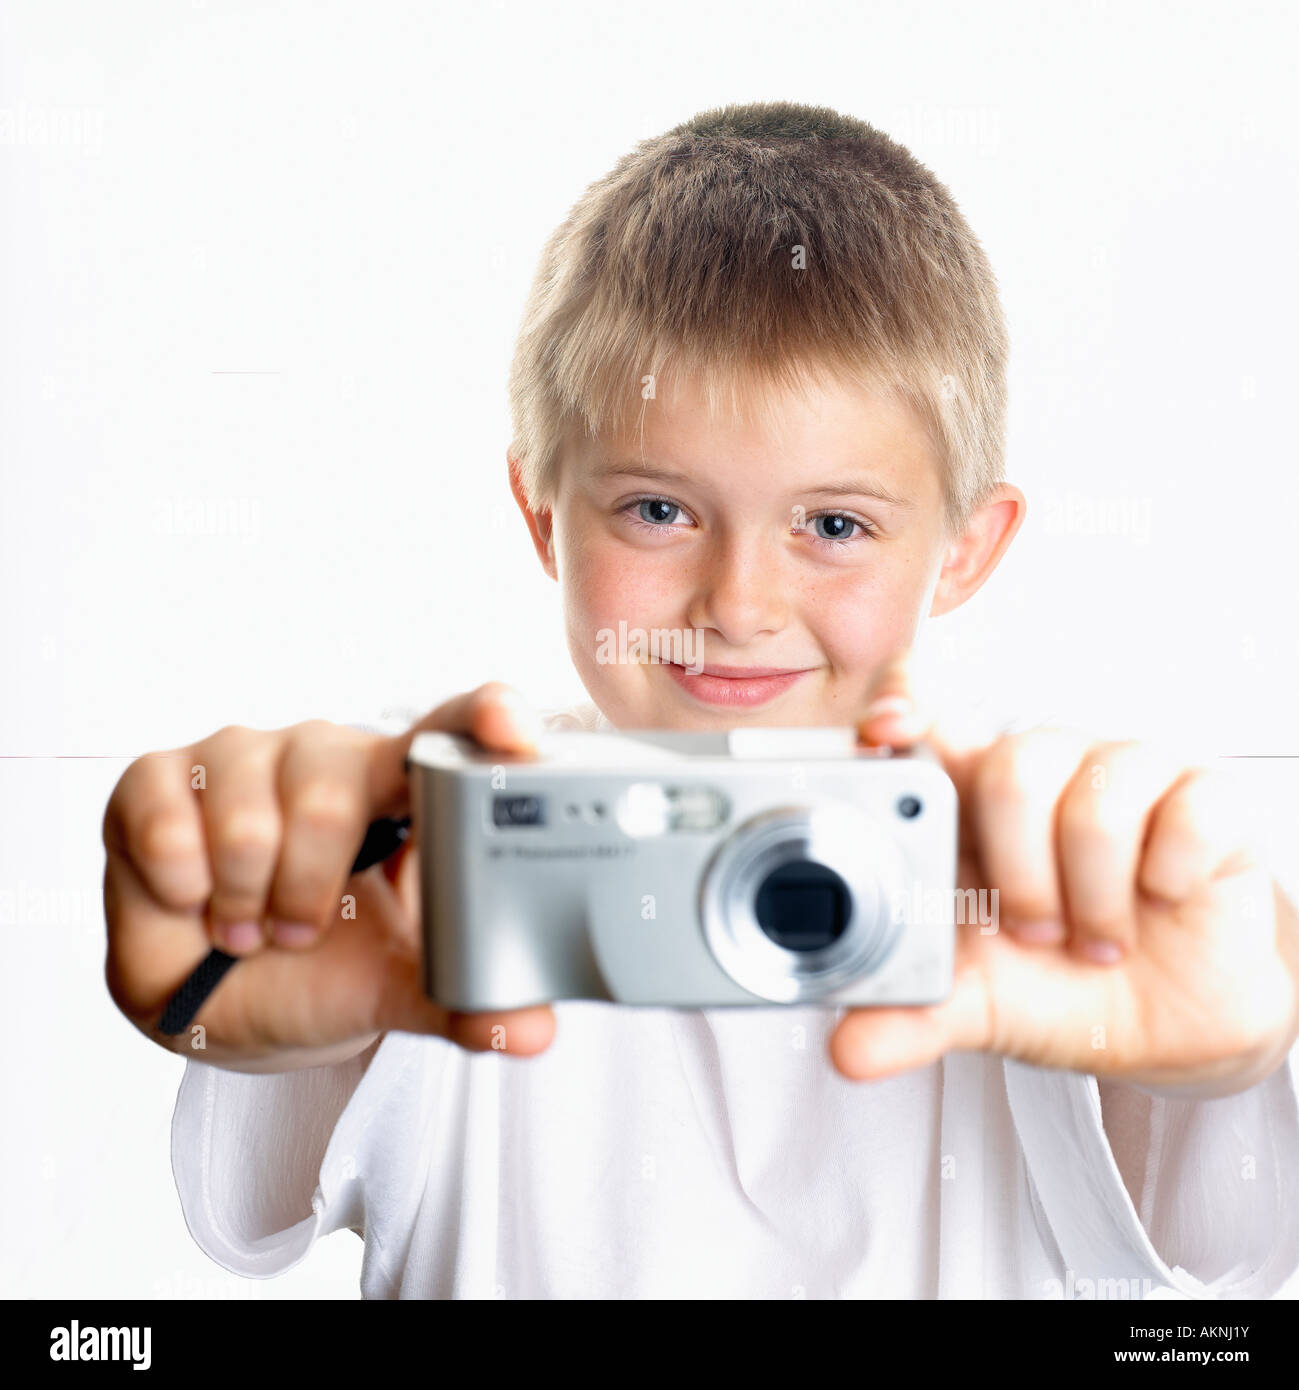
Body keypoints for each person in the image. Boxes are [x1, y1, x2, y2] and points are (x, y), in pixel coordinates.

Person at [103, 101, 1299, 1298]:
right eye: (658, 510)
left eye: (834, 525)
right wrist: (249, 951)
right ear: (542, 516)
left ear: (963, 548)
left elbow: (1234, 1248)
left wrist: (1226, 1052)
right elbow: (242, 1208)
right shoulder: (442, 855)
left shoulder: (1051, 882)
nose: (738, 603)